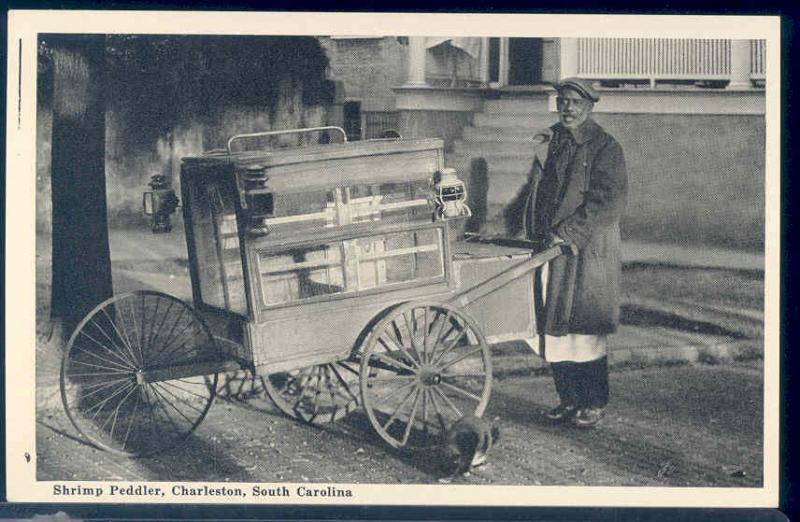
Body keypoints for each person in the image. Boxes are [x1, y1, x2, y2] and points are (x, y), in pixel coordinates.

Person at [516, 77, 627, 428]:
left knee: (584, 329)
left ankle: (593, 402)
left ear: (590, 106)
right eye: (562, 101)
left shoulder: (604, 147)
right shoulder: (553, 142)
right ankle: (569, 399)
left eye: (575, 103)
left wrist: (568, 233)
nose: (567, 108)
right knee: (554, 328)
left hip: (585, 251)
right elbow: (534, 192)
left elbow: (607, 201)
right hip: (551, 249)